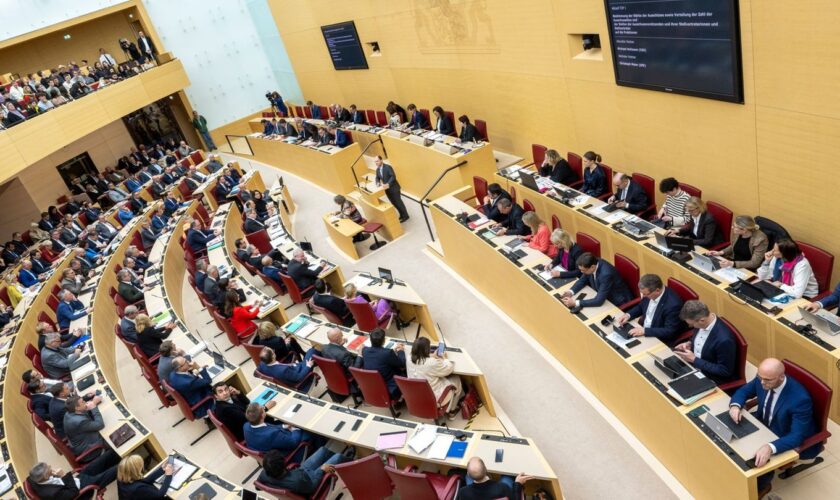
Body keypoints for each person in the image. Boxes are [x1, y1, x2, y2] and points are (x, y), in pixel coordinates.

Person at [729, 358, 818, 497]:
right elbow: (744, 391)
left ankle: (761, 487)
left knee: (758, 461)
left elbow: (796, 436)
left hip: (783, 435)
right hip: (764, 423)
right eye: (760, 377)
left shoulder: (800, 399)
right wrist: (735, 405)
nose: (762, 382)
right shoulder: (763, 378)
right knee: (732, 442)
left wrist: (770, 447)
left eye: (767, 380)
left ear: (781, 377)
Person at [674, 301, 738, 385]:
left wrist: (694, 360)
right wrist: (689, 344)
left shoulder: (724, 340)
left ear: (702, 320)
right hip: (693, 367)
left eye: (691, 324)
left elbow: (725, 371)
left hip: (710, 377)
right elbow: (702, 339)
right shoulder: (702, 322)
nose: (691, 327)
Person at [617, 274, 687, 345]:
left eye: (645, 294)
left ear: (657, 290)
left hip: (657, 338)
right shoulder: (648, 292)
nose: (643, 296)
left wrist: (645, 331)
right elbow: (641, 306)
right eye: (642, 294)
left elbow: (669, 331)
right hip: (642, 329)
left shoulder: (673, 305)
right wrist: (628, 315)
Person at [259, 446, 353, 496]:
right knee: (338, 457)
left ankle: (341, 459)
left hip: (300, 473)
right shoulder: (297, 481)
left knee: (322, 450)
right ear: (283, 464)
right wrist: (321, 470)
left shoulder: (264, 474)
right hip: (311, 480)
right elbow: (312, 487)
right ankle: (351, 461)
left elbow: (258, 487)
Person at [407, 337, 463, 417]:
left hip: (417, 397)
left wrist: (432, 356)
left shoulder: (409, 358)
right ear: (427, 349)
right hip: (434, 399)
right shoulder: (431, 363)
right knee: (456, 379)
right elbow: (448, 369)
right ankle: (452, 412)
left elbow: (421, 359)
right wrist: (445, 359)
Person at [560, 253, 634, 310]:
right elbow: (583, 280)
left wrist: (575, 303)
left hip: (617, 302)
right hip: (603, 295)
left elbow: (599, 301)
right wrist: (571, 292)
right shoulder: (592, 263)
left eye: (583, 270)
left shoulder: (606, 274)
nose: (582, 272)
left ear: (592, 267)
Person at [27, 457, 118, 500]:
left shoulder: (32, 478)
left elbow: (28, 479)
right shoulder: (53, 493)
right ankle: (127, 465)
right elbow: (73, 493)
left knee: (102, 460)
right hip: (81, 489)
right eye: (49, 469)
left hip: (74, 480)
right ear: (46, 476)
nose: (51, 467)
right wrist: (63, 475)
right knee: (114, 471)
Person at [212, 382, 277, 441]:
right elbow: (249, 418)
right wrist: (265, 408)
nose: (225, 393)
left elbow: (247, 403)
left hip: (246, 425)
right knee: (273, 418)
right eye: (220, 391)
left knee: (269, 416)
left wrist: (238, 393)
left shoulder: (226, 400)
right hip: (247, 432)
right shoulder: (225, 409)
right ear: (216, 396)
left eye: (226, 389)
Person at [243, 403, 312, 458]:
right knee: (310, 430)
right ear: (262, 416)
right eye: (263, 408)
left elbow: (267, 427)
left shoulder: (246, 426)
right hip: (285, 452)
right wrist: (295, 428)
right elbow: (293, 442)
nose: (264, 408)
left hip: (269, 448)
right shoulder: (272, 434)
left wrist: (284, 426)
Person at [457, 457, 533, 500]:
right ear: (486, 470)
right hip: (496, 491)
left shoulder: (463, 492)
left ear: (468, 474)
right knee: (506, 477)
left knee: (467, 478)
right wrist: (518, 484)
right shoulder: (503, 488)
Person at [361, 327, 406, 398]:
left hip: (374, 385)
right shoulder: (387, 353)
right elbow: (402, 363)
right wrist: (401, 350)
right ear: (384, 341)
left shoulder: (365, 350)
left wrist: (392, 354)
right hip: (391, 385)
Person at [168, 356, 214, 421]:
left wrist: (193, 372)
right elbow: (208, 380)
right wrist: (199, 368)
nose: (188, 361)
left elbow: (187, 377)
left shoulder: (172, 374)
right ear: (180, 368)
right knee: (220, 384)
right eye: (185, 362)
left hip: (192, 396)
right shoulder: (188, 383)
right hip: (203, 403)